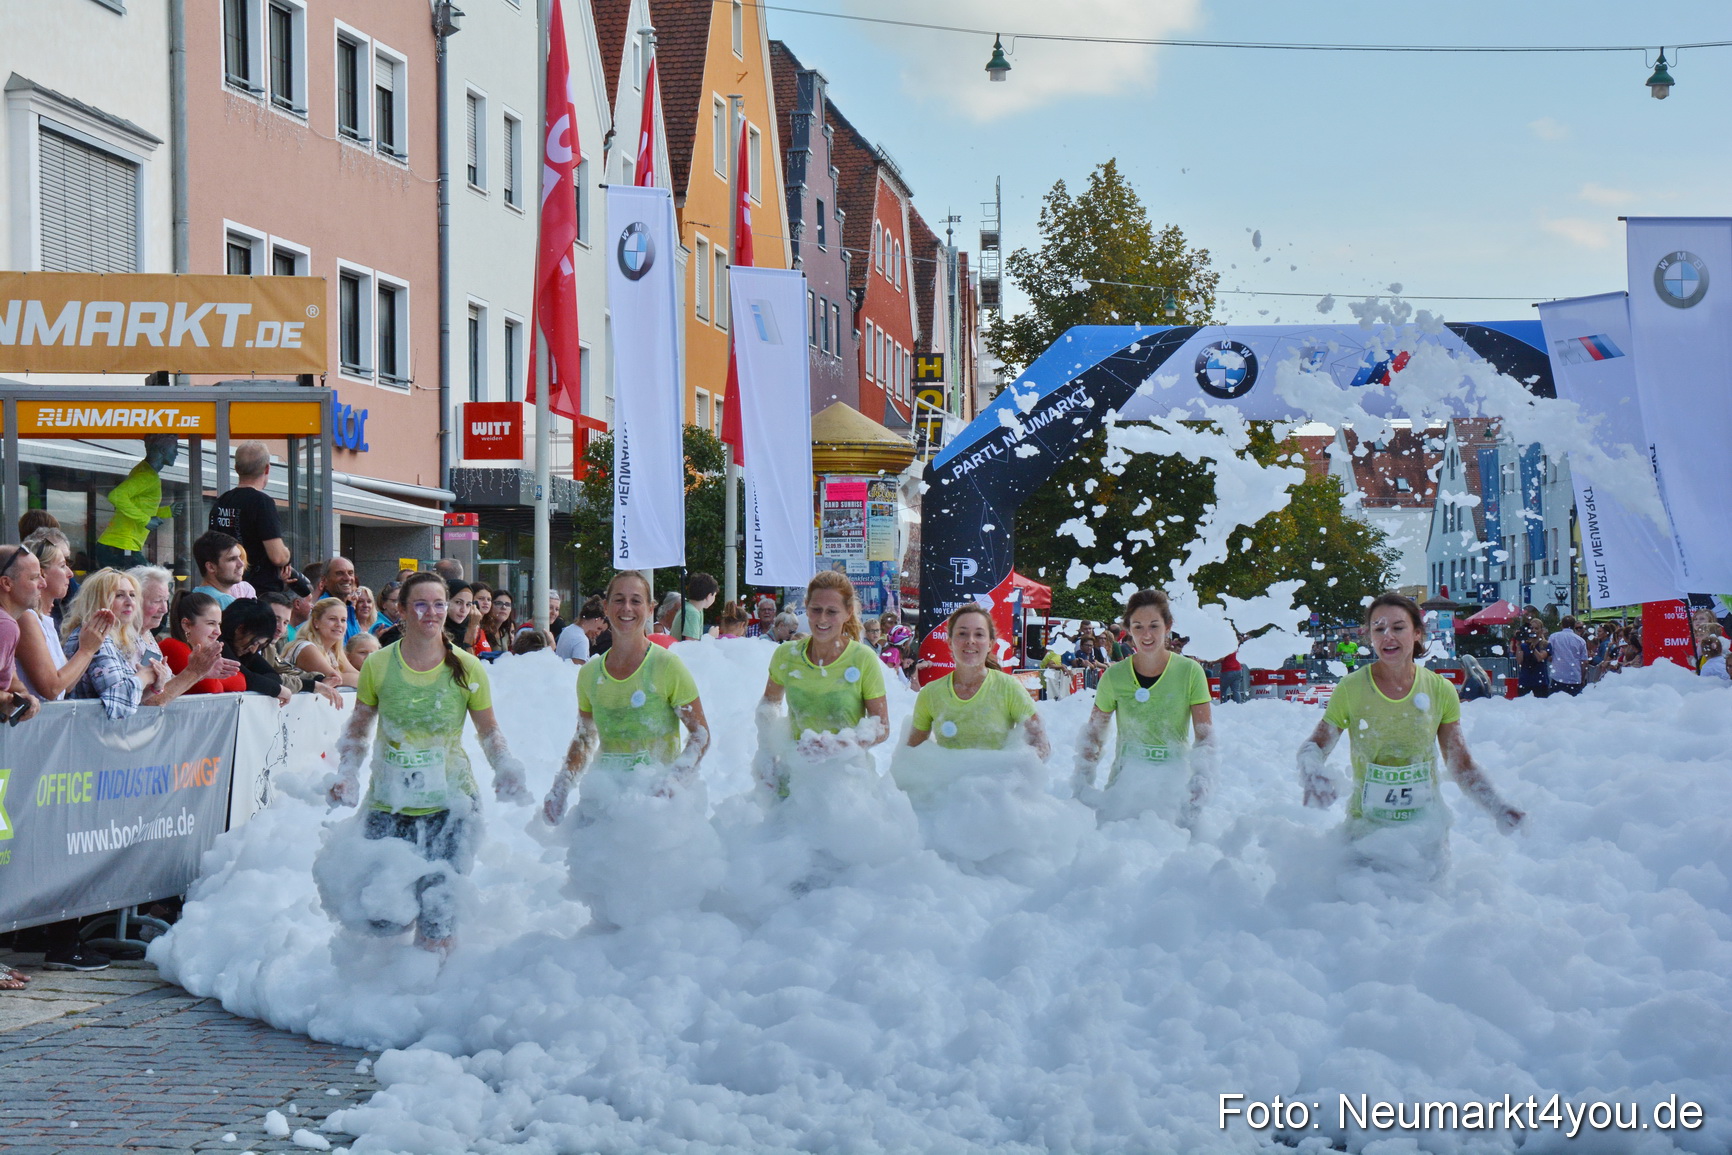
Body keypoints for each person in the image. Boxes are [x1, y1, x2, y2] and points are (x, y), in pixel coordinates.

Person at [327, 572, 531, 954]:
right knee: (383, 915)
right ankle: (388, 984)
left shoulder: (467, 667)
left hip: (451, 805)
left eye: (440, 604)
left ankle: (431, 992)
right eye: (420, 604)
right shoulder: (379, 665)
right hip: (390, 804)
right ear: (402, 610)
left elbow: (490, 732)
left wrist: (506, 767)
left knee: (438, 912)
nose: (431, 613)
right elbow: (358, 730)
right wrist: (347, 774)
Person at [1298, 593, 1524, 873]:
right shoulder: (1351, 688)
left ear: (1417, 633)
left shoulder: (1440, 689)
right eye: (1378, 629)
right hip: (1366, 836)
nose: (1388, 636)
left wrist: (1497, 807)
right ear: (1369, 636)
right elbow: (1316, 746)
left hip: (1423, 838)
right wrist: (1312, 771)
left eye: (1398, 627)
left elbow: (1460, 764)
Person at [541, 571, 710, 824]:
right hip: (605, 803)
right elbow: (585, 737)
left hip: (654, 809)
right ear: (606, 608)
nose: (627, 608)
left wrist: (673, 780)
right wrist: (561, 786)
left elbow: (701, 734)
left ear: (650, 608)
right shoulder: (589, 674)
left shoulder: (667, 666)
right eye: (619, 600)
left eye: (636, 600)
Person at [1072, 589, 1215, 826]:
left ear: (1168, 626)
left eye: (1154, 626)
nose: (1146, 635)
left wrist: (1201, 781)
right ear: (1128, 629)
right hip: (1125, 785)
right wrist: (1082, 783)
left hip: (1173, 786)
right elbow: (1094, 735)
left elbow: (1205, 736)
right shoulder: (1114, 676)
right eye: (1138, 626)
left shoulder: (1190, 672)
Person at [752, 571, 890, 798]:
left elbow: (882, 727)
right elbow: (768, 709)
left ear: (848, 613)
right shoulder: (786, 655)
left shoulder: (863, 658)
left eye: (832, 611)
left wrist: (839, 746)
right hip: (795, 780)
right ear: (806, 608)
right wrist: (766, 760)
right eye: (816, 609)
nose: (822, 619)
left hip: (845, 785)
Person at [906, 603, 1047, 757]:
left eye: (979, 634)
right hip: (949, 780)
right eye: (962, 633)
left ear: (990, 644)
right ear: (950, 642)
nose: (970, 640)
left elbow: (1042, 745)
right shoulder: (930, 694)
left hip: (998, 779)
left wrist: (1015, 770)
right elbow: (912, 753)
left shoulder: (1008, 688)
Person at [9, 538, 110, 703]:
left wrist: (91, 645)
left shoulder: (44, 619)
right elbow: (51, 688)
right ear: (41, 573)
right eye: (63, 566)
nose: (70, 574)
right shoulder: (27, 617)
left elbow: (66, 686)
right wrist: (86, 650)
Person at [209, 442, 292, 593]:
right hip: (258, 591)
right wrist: (287, 554)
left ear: (236, 468)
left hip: (225, 587)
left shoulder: (222, 501)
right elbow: (278, 556)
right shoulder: (262, 502)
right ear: (267, 468)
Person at [95, 435, 177, 570]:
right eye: (174, 449)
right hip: (121, 547)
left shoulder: (144, 470)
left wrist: (165, 511)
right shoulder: (147, 476)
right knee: (148, 582)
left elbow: (139, 505)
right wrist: (145, 520)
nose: (176, 454)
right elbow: (116, 495)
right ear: (163, 450)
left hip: (118, 546)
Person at [160, 592, 248, 695]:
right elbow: (211, 687)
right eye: (211, 623)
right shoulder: (172, 646)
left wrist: (210, 676)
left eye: (219, 624)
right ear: (187, 625)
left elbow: (241, 681)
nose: (218, 632)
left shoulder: (202, 652)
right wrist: (209, 676)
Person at [0, 545, 43, 724]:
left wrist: (25, 697)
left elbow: (10, 680)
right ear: (7, 583)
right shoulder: (5, 625)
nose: (43, 583)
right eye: (34, 578)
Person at [286, 597, 363, 688]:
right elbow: (336, 679)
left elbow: (362, 677)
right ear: (316, 622)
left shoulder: (333, 651)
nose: (339, 624)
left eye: (343, 620)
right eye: (332, 619)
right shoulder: (306, 648)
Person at [190, 531, 247, 607]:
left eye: (239, 557)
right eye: (232, 559)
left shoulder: (194, 597)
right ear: (211, 567)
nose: (241, 564)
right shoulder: (226, 602)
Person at [1547, 616, 1589, 696]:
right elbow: (1584, 662)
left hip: (1558, 677)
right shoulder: (1580, 640)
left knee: (1554, 704)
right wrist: (1582, 678)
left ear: (1561, 625)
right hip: (1574, 678)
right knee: (1575, 705)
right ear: (1574, 626)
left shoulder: (1553, 637)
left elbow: (1548, 654)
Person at [1513, 609, 1551, 698]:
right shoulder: (1524, 645)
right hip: (1525, 681)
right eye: (1531, 628)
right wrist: (1518, 646)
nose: (1533, 630)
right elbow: (1519, 661)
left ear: (1541, 630)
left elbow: (1540, 657)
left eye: (1536, 628)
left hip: (1540, 682)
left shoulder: (1545, 644)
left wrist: (1533, 648)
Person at [555, 596, 604, 662]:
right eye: (599, 628)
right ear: (597, 620)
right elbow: (578, 670)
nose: (598, 633)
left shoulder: (568, 629)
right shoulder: (581, 640)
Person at [679, 573, 718, 641]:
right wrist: (710, 636)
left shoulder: (694, 609)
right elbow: (691, 645)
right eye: (714, 595)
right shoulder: (692, 613)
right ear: (709, 596)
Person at [443, 581, 476, 651]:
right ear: (446, 602)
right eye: (458, 602)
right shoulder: (436, 632)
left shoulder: (467, 628)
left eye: (468, 605)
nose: (463, 610)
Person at [480, 589, 513, 653]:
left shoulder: (505, 633)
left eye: (508, 604)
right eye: (498, 603)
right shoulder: (481, 630)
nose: (504, 607)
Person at [468, 584, 494, 654]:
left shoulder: (483, 628)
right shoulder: (469, 627)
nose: (486, 602)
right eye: (481, 598)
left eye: (489, 599)